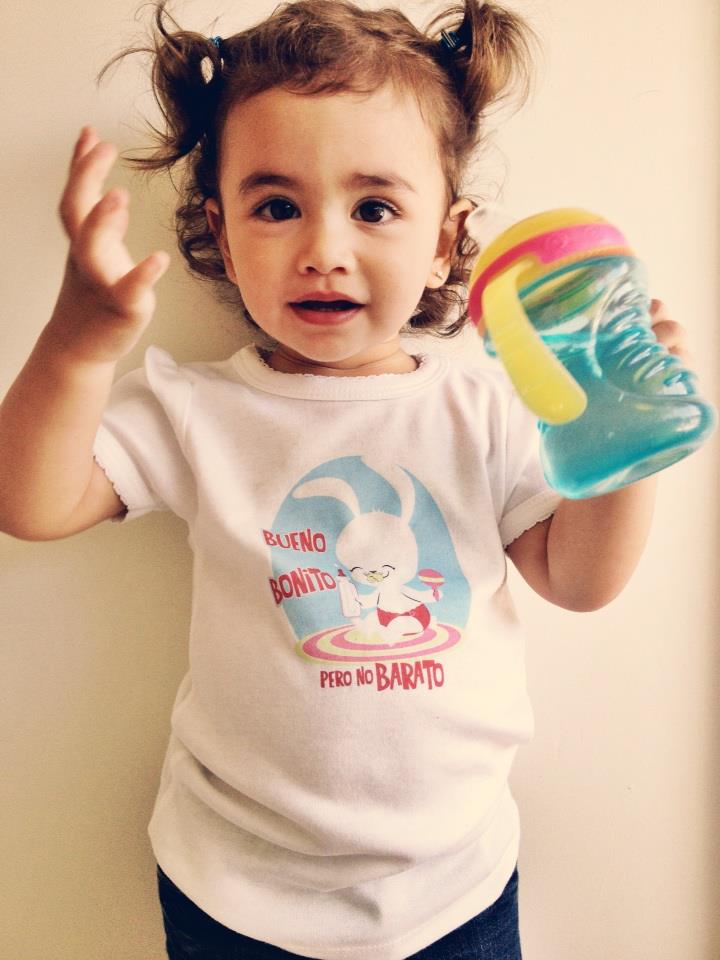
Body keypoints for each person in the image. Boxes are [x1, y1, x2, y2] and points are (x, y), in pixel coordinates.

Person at [0, 1, 693, 958]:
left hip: (452, 884)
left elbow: (577, 580)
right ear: (222, 233)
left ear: (445, 239)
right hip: (235, 885)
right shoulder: (197, 409)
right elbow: (30, 504)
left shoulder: (482, 407)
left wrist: (619, 456)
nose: (324, 249)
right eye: (277, 207)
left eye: (374, 208)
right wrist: (76, 345)